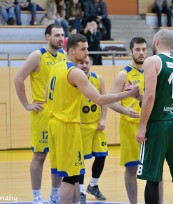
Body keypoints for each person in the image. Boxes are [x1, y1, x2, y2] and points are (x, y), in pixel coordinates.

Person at [47, 33, 139, 204]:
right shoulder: (74, 72)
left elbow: (47, 95)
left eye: (87, 48)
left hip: (54, 123)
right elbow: (100, 99)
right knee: (69, 177)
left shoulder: (56, 67)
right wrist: (128, 94)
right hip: (66, 125)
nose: (87, 53)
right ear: (72, 51)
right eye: (83, 49)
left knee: (73, 175)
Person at [136, 29, 173, 204]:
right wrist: (139, 96)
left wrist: (142, 126)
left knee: (152, 175)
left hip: (160, 125)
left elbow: (151, 96)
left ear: (157, 42)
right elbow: (164, 95)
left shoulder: (152, 61)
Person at [14, 24, 67, 204]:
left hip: (60, 112)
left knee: (58, 156)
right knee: (40, 155)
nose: (61, 38)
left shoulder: (63, 56)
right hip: (42, 111)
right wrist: (26, 104)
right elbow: (18, 78)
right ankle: (37, 195)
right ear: (47, 37)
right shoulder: (38, 55)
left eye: (62, 35)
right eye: (57, 35)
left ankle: (55, 194)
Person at [109, 37, 164, 204]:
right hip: (130, 127)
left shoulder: (153, 71)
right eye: (137, 50)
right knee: (131, 168)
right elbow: (111, 101)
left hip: (151, 126)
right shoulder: (123, 74)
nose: (141, 53)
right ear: (130, 51)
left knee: (156, 169)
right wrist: (126, 110)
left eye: (143, 49)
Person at [76, 56, 107, 204]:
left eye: (87, 63)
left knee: (102, 156)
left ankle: (93, 185)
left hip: (96, 125)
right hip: (81, 126)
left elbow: (105, 101)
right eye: (81, 63)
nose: (84, 65)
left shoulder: (98, 79)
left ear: (91, 64)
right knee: (80, 160)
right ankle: (81, 190)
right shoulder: (73, 79)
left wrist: (103, 119)